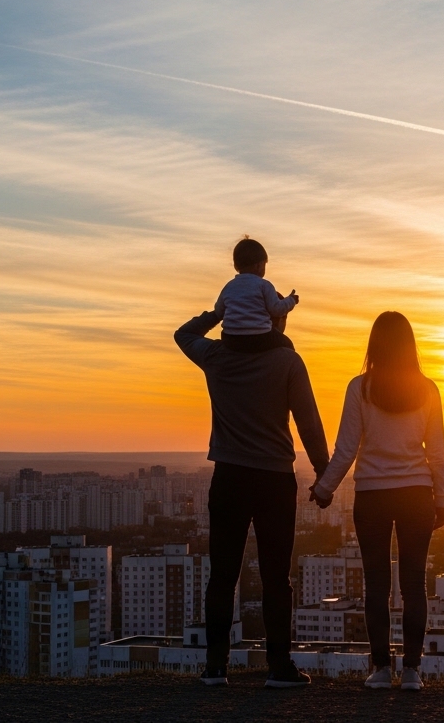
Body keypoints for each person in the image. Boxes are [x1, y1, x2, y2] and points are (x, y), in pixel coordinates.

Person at [174, 254, 329, 688]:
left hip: (228, 479)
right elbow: (309, 423)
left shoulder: (216, 357)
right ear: (271, 317)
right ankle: (279, 668)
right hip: (275, 481)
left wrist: (217, 312)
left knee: (222, 574)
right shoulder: (287, 361)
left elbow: (183, 334)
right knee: (277, 576)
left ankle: (215, 668)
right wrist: (324, 476)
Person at [309, 311, 444, 692]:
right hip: (417, 495)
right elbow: (437, 453)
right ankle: (414, 672)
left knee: (376, 585)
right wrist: (441, 499)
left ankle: (382, 670)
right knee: (414, 584)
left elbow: (346, 449)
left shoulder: (360, 388)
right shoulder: (428, 389)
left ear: (374, 344)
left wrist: (323, 489)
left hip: (371, 495)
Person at [215, 236, 299, 339]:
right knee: (286, 343)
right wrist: (291, 300)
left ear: (236, 266)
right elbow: (277, 310)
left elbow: (218, 311)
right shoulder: (264, 285)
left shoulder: (229, 286)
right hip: (259, 337)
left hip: (230, 338)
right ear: (258, 265)